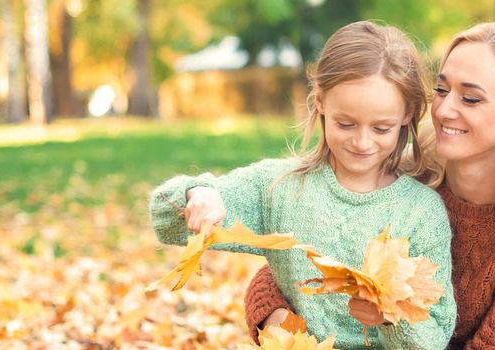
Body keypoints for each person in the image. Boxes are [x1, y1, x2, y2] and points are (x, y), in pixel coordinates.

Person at [244, 21, 495, 349]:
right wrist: (286, 330)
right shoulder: (399, 182)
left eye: (470, 98)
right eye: (441, 90)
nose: (444, 110)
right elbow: (284, 275)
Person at [149, 21, 457, 349]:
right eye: (346, 123)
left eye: (381, 128)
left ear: (407, 114)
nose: (362, 142)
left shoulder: (421, 212)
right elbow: (165, 220)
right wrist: (199, 195)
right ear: (321, 102)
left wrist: (390, 316)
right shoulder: (282, 187)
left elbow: (433, 339)